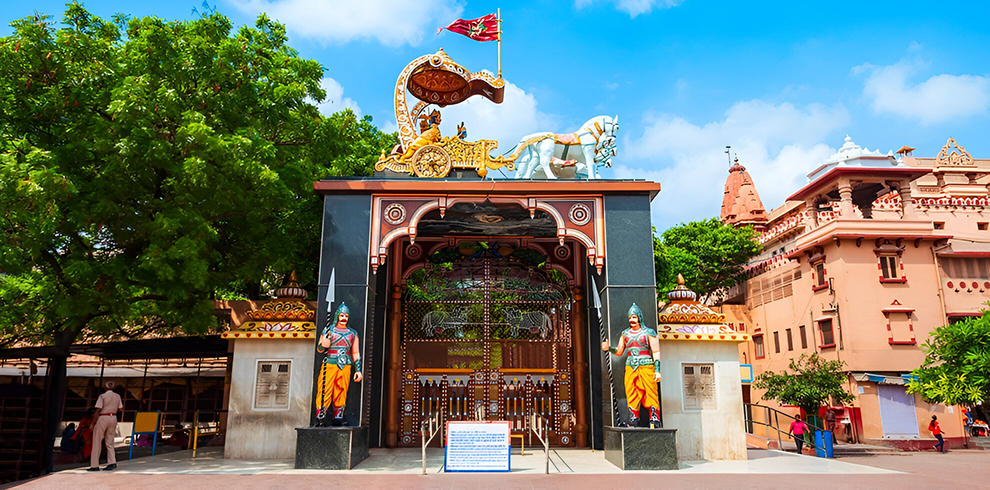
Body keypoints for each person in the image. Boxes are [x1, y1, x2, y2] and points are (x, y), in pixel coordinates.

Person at [602, 303, 662, 428]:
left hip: (646, 364)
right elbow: (619, 351)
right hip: (630, 365)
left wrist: (657, 370)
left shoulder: (649, 332)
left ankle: (654, 417)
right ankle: (634, 417)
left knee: (650, 391)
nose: (632, 320)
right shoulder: (625, 334)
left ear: (639, 317)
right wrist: (609, 349)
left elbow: (655, 352)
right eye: (630, 318)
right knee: (631, 391)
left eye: (634, 317)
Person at [315, 303, 362, 426]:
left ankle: (338, 416)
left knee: (342, 389)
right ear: (337, 316)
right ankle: (321, 415)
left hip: (345, 363)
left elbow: (355, 352)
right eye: (342, 315)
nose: (344, 318)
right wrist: (324, 342)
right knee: (325, 388)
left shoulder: (352, 333)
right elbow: (320, 349)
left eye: (346, 316)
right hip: (330, 361)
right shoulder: (329, 330)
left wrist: (358, 369)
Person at [89, 381, 123, 471]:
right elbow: (120, 408)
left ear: (105, 388)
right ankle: (112, 462)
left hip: (103, 417)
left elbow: (98, 410)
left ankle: (94, 465)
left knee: (97, 441)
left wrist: (92, 424)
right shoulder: (117, 396)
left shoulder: (102, 396)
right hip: (113, 417)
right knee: (110, 442)